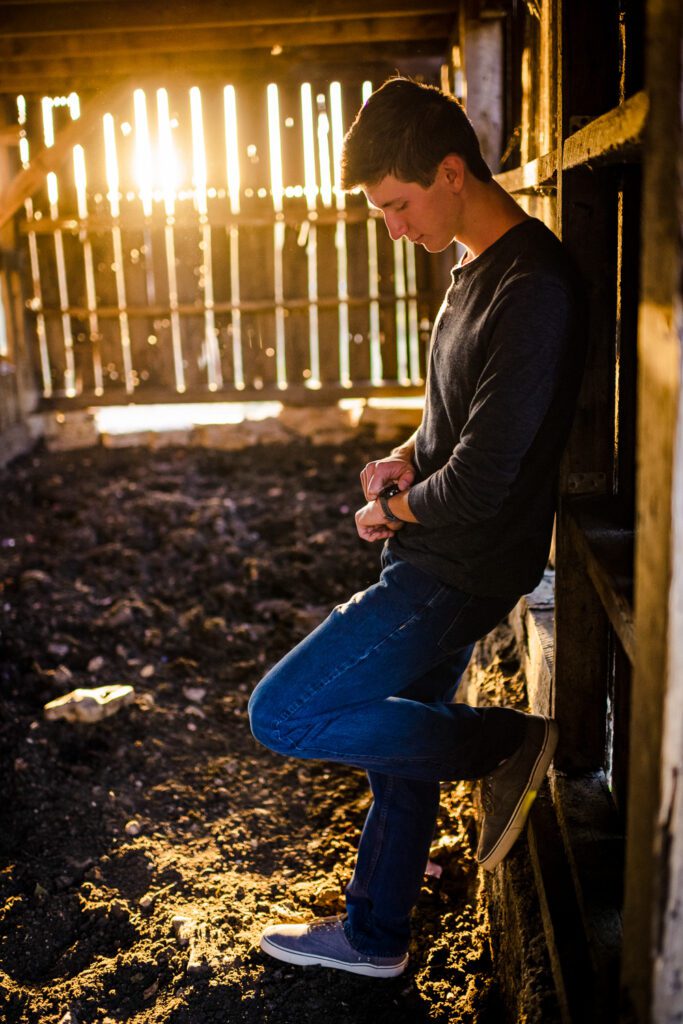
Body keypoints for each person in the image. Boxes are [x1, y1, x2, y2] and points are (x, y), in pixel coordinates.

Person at [248, 76, 583, 980]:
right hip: (436, 553)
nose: (394, 228)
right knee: (397, 744)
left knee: (284, 713)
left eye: (398, 205)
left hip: (456, 568)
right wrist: (404, 453)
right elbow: (454, 425)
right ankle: (375, 934)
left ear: (449, 172)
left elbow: (480, 478)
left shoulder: (535, 290)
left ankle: (504, 742)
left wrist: (389, 508)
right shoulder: (473, 266)